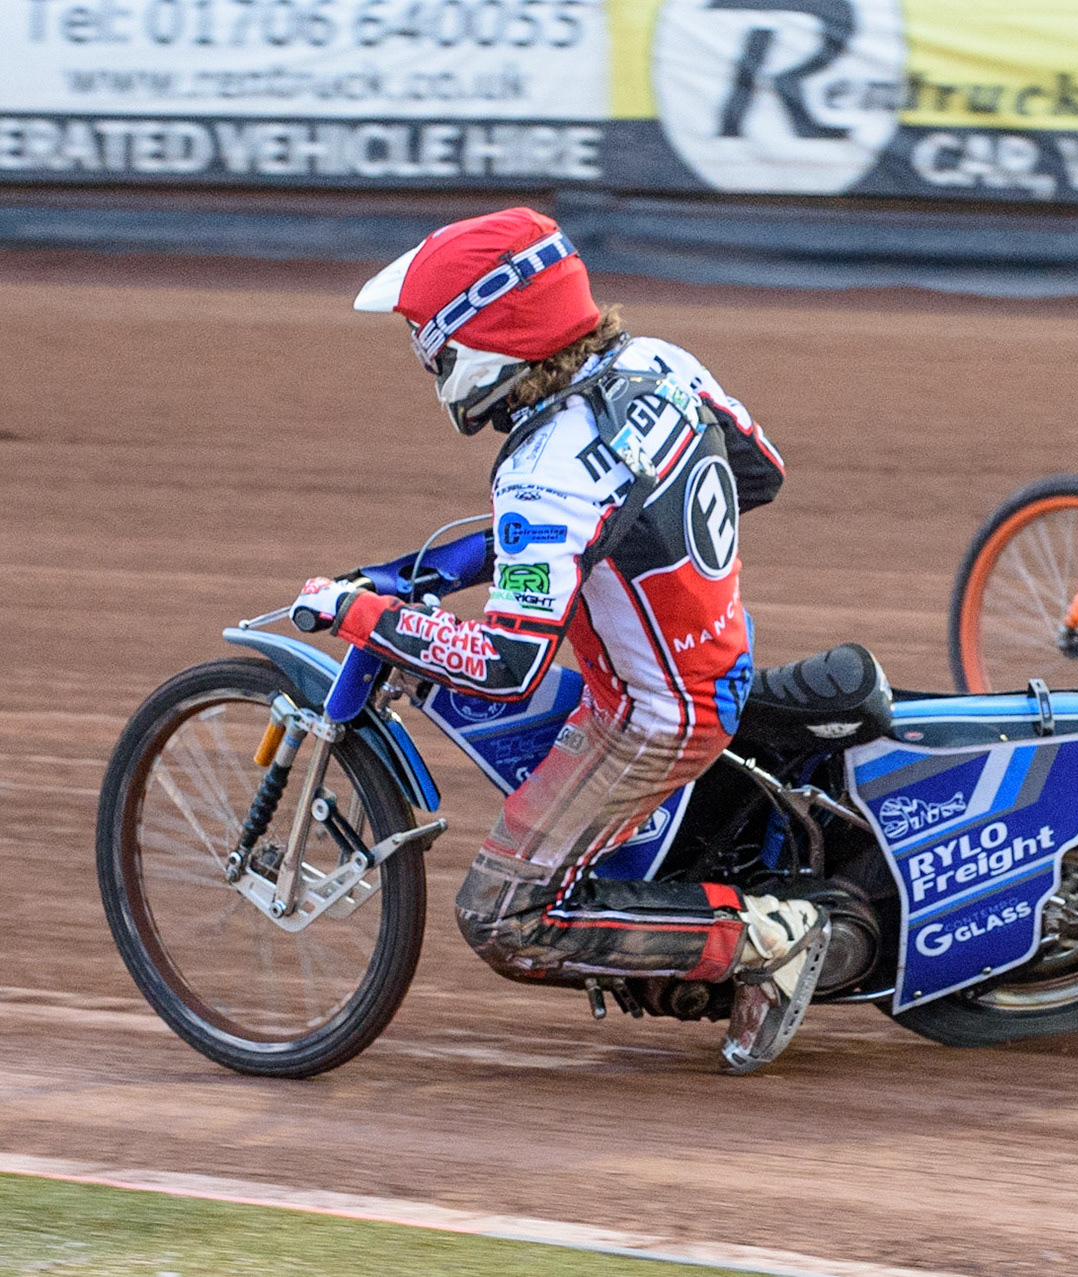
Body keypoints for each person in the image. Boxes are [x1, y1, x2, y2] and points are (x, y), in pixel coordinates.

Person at [290, 207, 827, 1072]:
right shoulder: (662, 362)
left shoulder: (543, 471)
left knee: (502, 914)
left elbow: (506, 665)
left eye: (433, 342)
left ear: (489, 338)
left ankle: (767, 936)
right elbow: (759, 470)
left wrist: (360, 615)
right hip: (715, 646)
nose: (429, 362)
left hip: (654, 715)